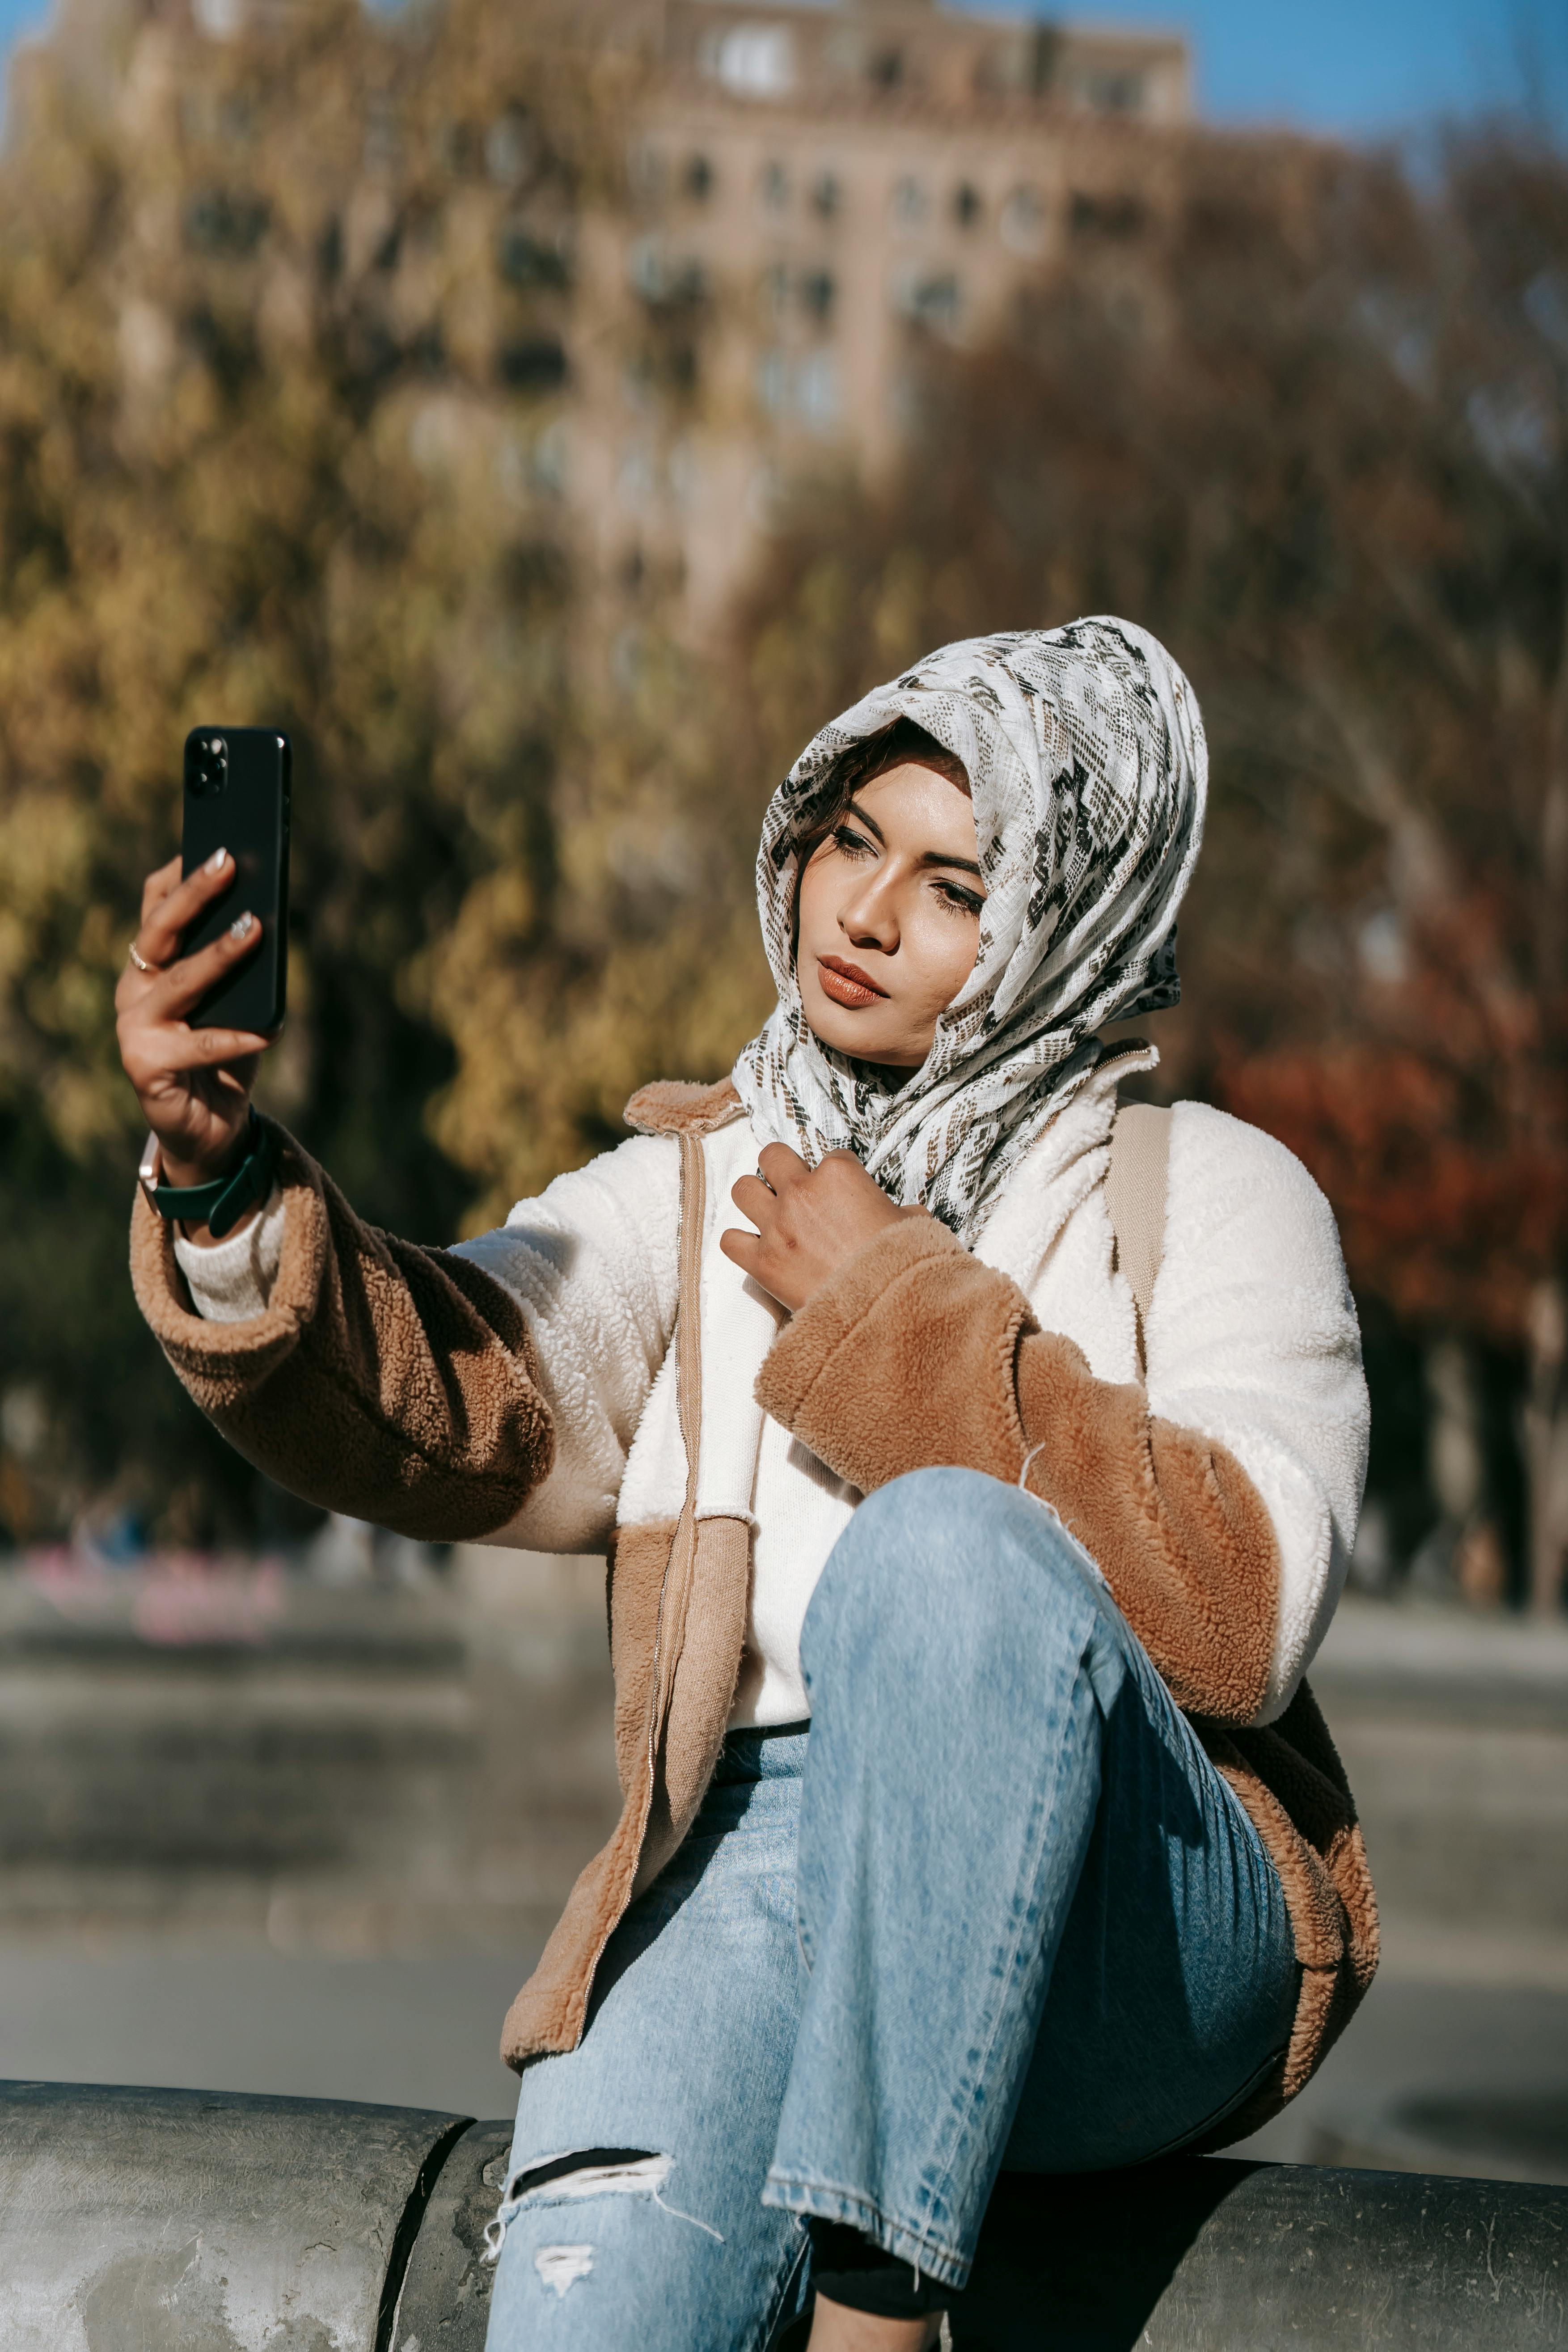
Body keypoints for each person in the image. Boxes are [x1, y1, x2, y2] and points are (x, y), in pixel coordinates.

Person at [117, 620, 1374, 2351]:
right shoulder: (709, 1173)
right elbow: (466, 1379)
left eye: (950, 883)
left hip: (1130, 1899)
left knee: (939, 1556)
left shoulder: (1211, 1190)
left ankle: (877, 2314)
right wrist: (221, 1186)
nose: (859, 913)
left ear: (1064, 920)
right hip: (757, 1857)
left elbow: (1241, 1613)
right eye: (849, 842)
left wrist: (894, 1309)